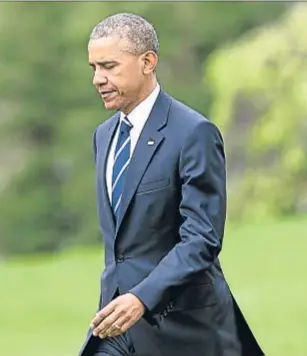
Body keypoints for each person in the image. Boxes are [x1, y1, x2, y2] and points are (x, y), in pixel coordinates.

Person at [79, 12, 264, 356]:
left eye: (109, 67)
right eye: (94, 68)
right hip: (116, 329)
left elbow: (202, 238)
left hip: (185, 329)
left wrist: (141, 298)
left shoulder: (194, 133)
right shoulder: (103, 137)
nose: (98, 79)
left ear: (147, 62)